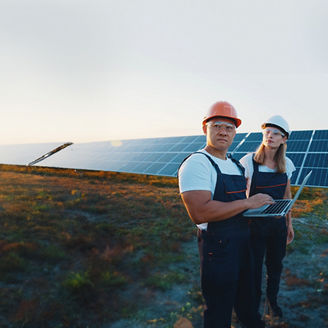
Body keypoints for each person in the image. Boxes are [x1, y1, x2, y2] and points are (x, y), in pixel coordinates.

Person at [178, 101, 274, 328]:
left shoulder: (234, 164)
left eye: (229, 128)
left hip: (243, 243)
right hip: (218, 248)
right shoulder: (198, 164)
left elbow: (239, 206)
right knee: (219, 310)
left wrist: (264, 210)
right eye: (217, 126)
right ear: (205, 129)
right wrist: (248, 202)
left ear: (235, 132)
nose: (223, 131)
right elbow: (200, 213)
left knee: (248, 302)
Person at [240, 115, 296, 320]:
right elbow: (241, 196)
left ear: (284, 139)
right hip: (253, 226)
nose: (270, 136)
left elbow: (286, 195)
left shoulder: (287, 164)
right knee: (253, 269)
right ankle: (252, 307)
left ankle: (272, 302)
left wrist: (289, 223)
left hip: (277, 226)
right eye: (267, 132)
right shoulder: (249, 162)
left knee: (275, 266)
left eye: (275, 133)